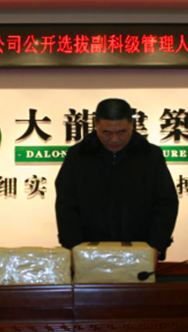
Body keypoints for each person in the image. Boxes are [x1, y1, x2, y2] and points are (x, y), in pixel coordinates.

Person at [55, 98, 179, 260]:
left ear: (132, 124)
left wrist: (156, 246)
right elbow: (66, 206)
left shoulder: (151, 156)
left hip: (140, 252)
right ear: (96, 125)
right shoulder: (77, 156)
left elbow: (165, 204)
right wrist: (73, 247)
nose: (114, 139)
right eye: (106, 132)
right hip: (87, 254)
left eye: (121, 132)